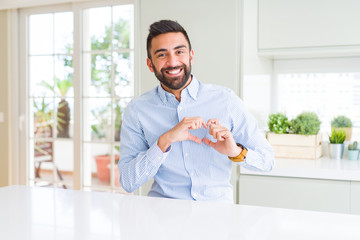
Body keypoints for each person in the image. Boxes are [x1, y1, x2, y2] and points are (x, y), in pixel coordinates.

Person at [118, 20, 274, 202]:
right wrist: (164, 142)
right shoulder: (137, 110)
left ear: (191, 56)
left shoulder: (226, 100)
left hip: (217, 216)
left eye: (179, 51)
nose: (173, 61)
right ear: (150, 64)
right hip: (163, 216)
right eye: (162, 55)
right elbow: (128, 182)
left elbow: (267, 161)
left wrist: (236, 152)